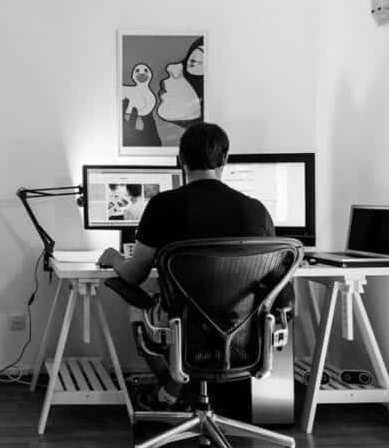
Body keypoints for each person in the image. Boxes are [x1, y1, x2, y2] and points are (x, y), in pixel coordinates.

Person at [97, 122, 280, 410]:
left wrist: (113, 256)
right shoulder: (256, 210)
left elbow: (133, 275)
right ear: (225, 159)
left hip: (185, 329)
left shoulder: (163, 206)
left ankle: (171, 389)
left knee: (139, 304)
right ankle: (176, 391)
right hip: (243, 334)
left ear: (181, 159)